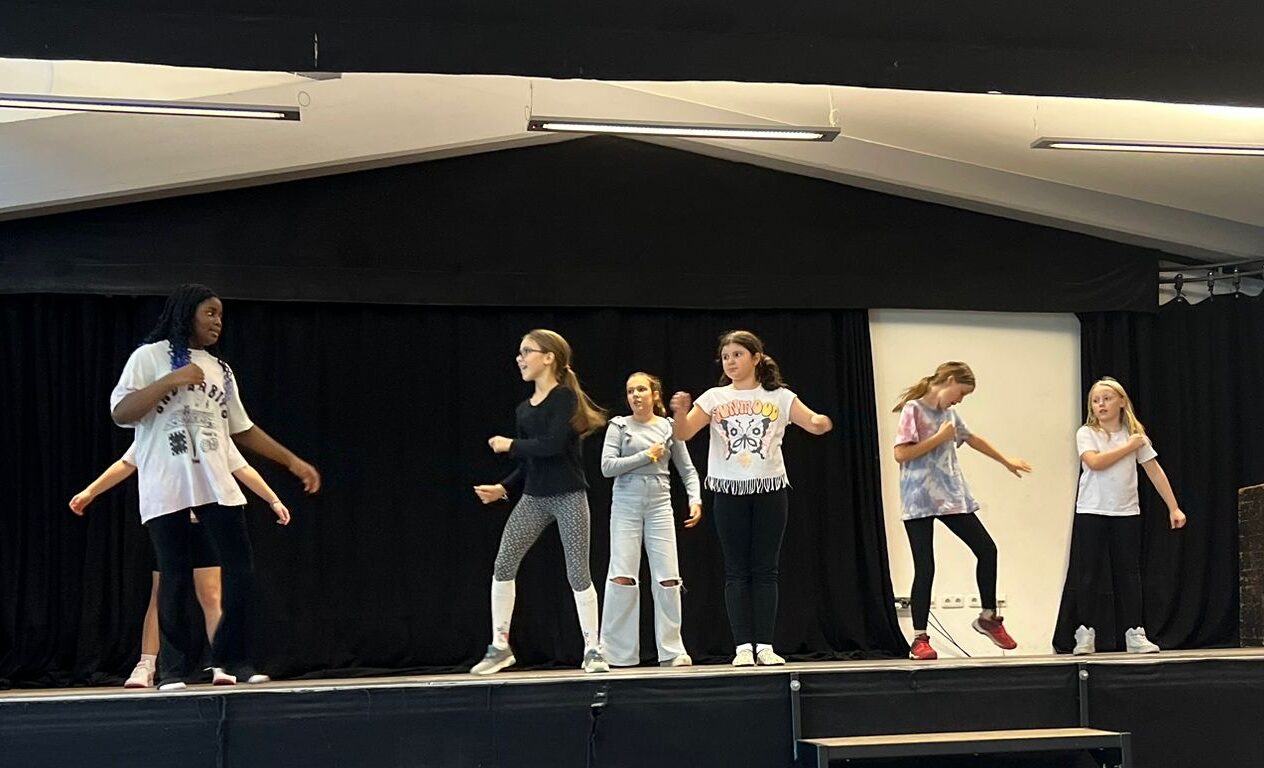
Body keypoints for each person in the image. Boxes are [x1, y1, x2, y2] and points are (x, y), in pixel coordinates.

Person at [110, 284, 318, 689]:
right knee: (173, 576)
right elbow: (122, 412)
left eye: (220, 314)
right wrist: (171, 381)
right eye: (209, 313)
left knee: (240, 571)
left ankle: (231, 660)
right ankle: (173, 670)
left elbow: (243, 428)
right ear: (186, 313)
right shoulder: (148, 357)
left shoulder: (221, 370)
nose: (218, 321)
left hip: (217, 484)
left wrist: (291, 461)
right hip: (167, 484)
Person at [670, 330, 833, 667]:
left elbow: (812, 422)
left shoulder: (780, 397)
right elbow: (684, 433)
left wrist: (821, 422)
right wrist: (681, 412)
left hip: (770, 490)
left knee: (765, 569)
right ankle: (743, 646)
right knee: (736, 570)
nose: (730, 362)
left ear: (756, 358)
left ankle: (766, 646)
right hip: (729, 491)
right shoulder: (714, 397)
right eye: (725, 357)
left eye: (737, 355)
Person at [471, 329, 609, 675]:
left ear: (549, 358)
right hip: (534, 498)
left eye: (526, 352)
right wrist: (504, 488)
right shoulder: (524, 409)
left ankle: (593, 649)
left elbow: (552, 445)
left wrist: (510, 444)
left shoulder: (564, 398)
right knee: (504, 563)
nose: (520, 359)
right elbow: (530, 462)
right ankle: (500, 646)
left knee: (578, 571)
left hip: (568, 495)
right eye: (520, 353)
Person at [892, 361, 1031, 661]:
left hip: (950, 497)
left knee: (987, 549)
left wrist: (1005, 460)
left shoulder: (949, 415)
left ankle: (988, 617)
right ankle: (919, 639)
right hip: (919, 499)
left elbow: (972, 438)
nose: (959, 400)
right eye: (961, 393)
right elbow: (901, 454)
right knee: (925, 566)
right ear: (950, 380)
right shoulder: (913, 410)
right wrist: (938, 439)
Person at [1068, 377, 1186, 655]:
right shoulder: (1087, 433)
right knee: (1089, 574)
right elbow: (1094, 462)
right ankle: (1085, 633)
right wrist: (1130, 446)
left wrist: (1173, 506)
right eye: (1095, 401)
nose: (1101, 405)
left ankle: (1134, 632)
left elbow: (1154, 471)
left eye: (1107, 399)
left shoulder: (1134, 436)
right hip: (1092, 510)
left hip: (1126, 512)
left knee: (1128, 575)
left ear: (1121, 401)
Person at [599, 372, 703, 668]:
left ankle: (672, 649)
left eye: (641, 389)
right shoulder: (619, 426)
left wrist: (694, 499)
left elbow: (687, 469)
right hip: (626, 505)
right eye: (630, 391)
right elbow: (607, 467)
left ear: (654, 394)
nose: (635, 395)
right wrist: (646, 455)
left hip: (659, 506)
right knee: (622, 576)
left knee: (668, 578)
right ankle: (617, 652)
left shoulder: (668, 427)